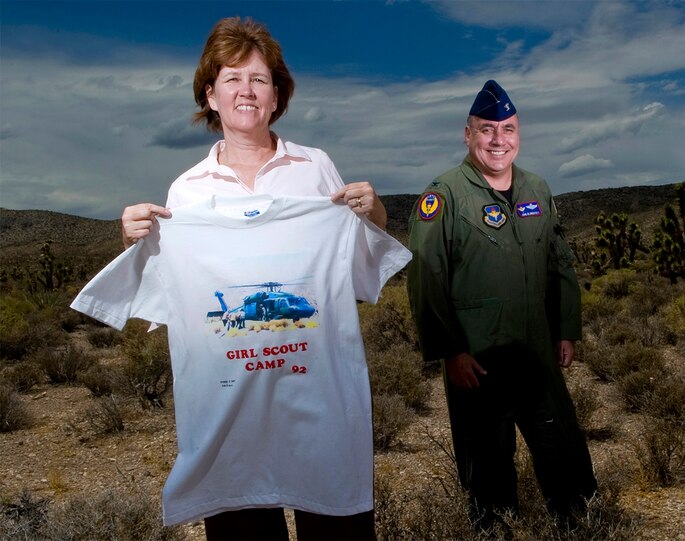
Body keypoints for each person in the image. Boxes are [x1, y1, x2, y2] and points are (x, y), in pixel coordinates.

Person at [105, 17, 405, 541]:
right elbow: (174, 291)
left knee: (335, 523)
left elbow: (360, 265)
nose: (247, 90)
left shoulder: (315, 167)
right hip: (230, 422)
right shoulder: (187, 192)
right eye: (232, 78)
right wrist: (137, 240)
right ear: (211, 95)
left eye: (260, 79)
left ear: (276, 96)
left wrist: (374, 212)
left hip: (318, 407)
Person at [406, 80, 598, 529]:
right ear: (468, 134)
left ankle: (579, 529)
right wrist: (450, 351)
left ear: (518, 134)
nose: (498, 140)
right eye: (487, 129)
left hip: (537, 352)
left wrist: (566, 328)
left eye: (507, 129)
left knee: (566, 456)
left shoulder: (537, 189)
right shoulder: (445, 196)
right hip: (478, 360)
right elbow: (426, 279)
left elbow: (560, 263)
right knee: (488, 472)